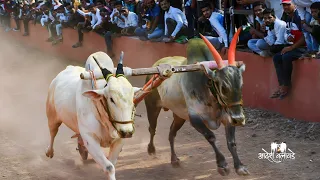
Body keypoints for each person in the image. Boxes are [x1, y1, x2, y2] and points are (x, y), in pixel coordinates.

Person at [270, 1, 306, 99]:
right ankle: (281, 85)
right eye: (284, 5)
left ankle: (286, 86)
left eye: (288, 4)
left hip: (303, 47)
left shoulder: (299, 16)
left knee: (286, 57)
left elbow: (305, 36)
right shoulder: (285, 16)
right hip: (292, 45)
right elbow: (287, 31)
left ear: (294, 4)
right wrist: (288, 37)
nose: (285, 7)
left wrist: (291, 47)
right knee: (277, 57)